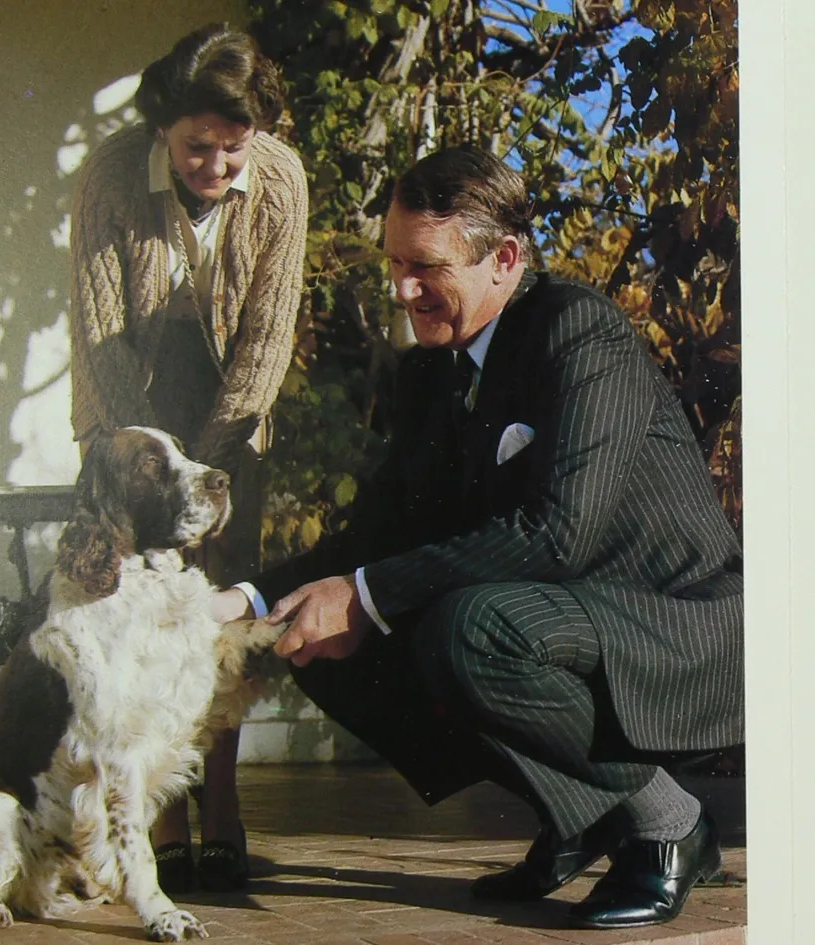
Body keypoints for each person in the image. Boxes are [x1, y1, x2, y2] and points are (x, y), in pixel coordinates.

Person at [213, 147, 743, 929]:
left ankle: (669, 823)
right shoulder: (430, 372)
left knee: (470, 626)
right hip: (569, 617)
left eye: (425, 266)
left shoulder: (578, 333)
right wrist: (251, 598)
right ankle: (585, 814)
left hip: (677, 622)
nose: (402, 290)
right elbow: (379, 529)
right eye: (394, 263)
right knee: (311, 633)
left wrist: (364, 594)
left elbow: (557, 534)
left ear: (503, 258)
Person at [68, 22, 308, 894]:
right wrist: (150, 473)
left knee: (217, 607)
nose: (215, 167)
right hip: (132, 406)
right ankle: (158, 807)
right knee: (137, 611)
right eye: (196, 147)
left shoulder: (279, 177)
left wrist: (203, 471)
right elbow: (98, 334)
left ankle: (220, 800)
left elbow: (266, 336)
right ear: (162, 127)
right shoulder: (109, 176)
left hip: (227, 411)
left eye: (231, 151)